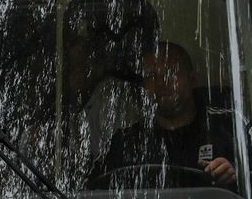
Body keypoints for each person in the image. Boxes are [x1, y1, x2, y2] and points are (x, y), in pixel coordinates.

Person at [85, 42, 238, 190]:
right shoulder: (127, 142)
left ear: (193, 79)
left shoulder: (228, 127)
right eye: (150, 75)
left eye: (170, 71)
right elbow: (98, 192)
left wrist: (233, 176)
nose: (160, 82)